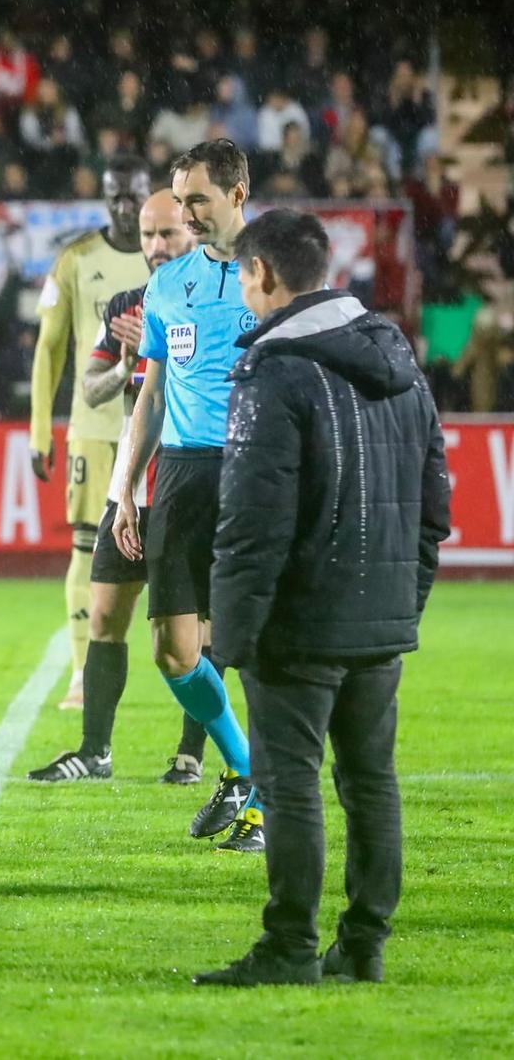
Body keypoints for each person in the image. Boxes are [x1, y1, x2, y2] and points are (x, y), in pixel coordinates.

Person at [195, 211, 450, 987]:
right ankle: (363, 944)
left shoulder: (273, 371)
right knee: (371, 781)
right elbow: (435, 501)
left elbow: (252, 521)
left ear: (266, 272)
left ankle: (289, 947)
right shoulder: (398, 360)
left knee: (291, 781)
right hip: (379, 620)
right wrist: (404, 600)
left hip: (299, 625)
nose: (242, 289)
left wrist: (231, 633)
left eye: (243, 274)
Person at [111, 140, 263, 852]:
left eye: (197, 198)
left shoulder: (278, 275)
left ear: (238, 193)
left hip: (257, 468)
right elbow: (151, 395)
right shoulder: (169, 284)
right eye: (180, 199)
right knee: (174, 650)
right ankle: (242, 766)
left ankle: (260, 804)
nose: (186, 213)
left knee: (255, 644)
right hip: (180, 471)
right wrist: (123, 494)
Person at [28, 191, 205, 783]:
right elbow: (95, 389)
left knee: (192, 633)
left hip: (188, 482)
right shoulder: (130, 305)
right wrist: (129, 353)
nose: (155, 247)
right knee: (104, 615)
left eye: (168, 235)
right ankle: (95, 750)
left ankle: (191, 752)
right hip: (129, 487)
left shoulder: (218, 301)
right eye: (150, 236)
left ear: (194, 233)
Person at [28, 158, 152, 711]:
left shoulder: (171, 259)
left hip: (164, 430)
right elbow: (49, 347)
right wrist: (39, 429)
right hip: (96, 427)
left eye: (133, 196)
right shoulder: (76, 259)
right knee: (86, 548)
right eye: (114, 196)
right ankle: (82, 672)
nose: (124, 206)